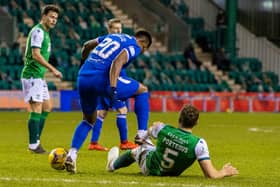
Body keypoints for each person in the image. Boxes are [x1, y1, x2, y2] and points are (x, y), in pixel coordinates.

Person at [65, 30, 152, 173]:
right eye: (143, 50)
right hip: (102, 79)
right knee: (142, 90)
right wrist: (113, 87)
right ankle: (142, 133)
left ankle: (72, 154)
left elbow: (87, 45)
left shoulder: (112, 36)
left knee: (88, 120)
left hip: (83, 77)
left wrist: (83, 64)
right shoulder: (135, 45)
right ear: (144, 44)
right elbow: (118, 62)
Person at [106, 104, 239, 178]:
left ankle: (111, 165)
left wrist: (143, 138)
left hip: (151, 168)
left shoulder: (163, 129)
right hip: (171, 172)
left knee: (135, 151)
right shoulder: (199, 144)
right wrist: (224, 172)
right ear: (196, 122)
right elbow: (211, 174)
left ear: (179, 118)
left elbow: (149, 131)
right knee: (150, 147)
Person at [88, 18, 138, 151]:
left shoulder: (105, 40)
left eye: (120, 29)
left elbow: (89, 44)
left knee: (102, 112)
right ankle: (124, 142)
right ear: (109, 29)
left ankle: (93, 143)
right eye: (115, 29)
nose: (118, 31)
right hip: (110, 82)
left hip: (100, 80)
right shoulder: (116, 43)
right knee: (122, 110)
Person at [20, 5, 62, 154]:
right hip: (32, 75)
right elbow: (36, 54)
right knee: (36, 108)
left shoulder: (45, 33)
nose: (53, 20)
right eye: (51, 17)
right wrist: (53, 69)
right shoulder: (38, 31)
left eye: (56, 18)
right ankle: (33, 145)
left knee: (47, 107)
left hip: (39, 76)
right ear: (43, 16)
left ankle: (36, 140)